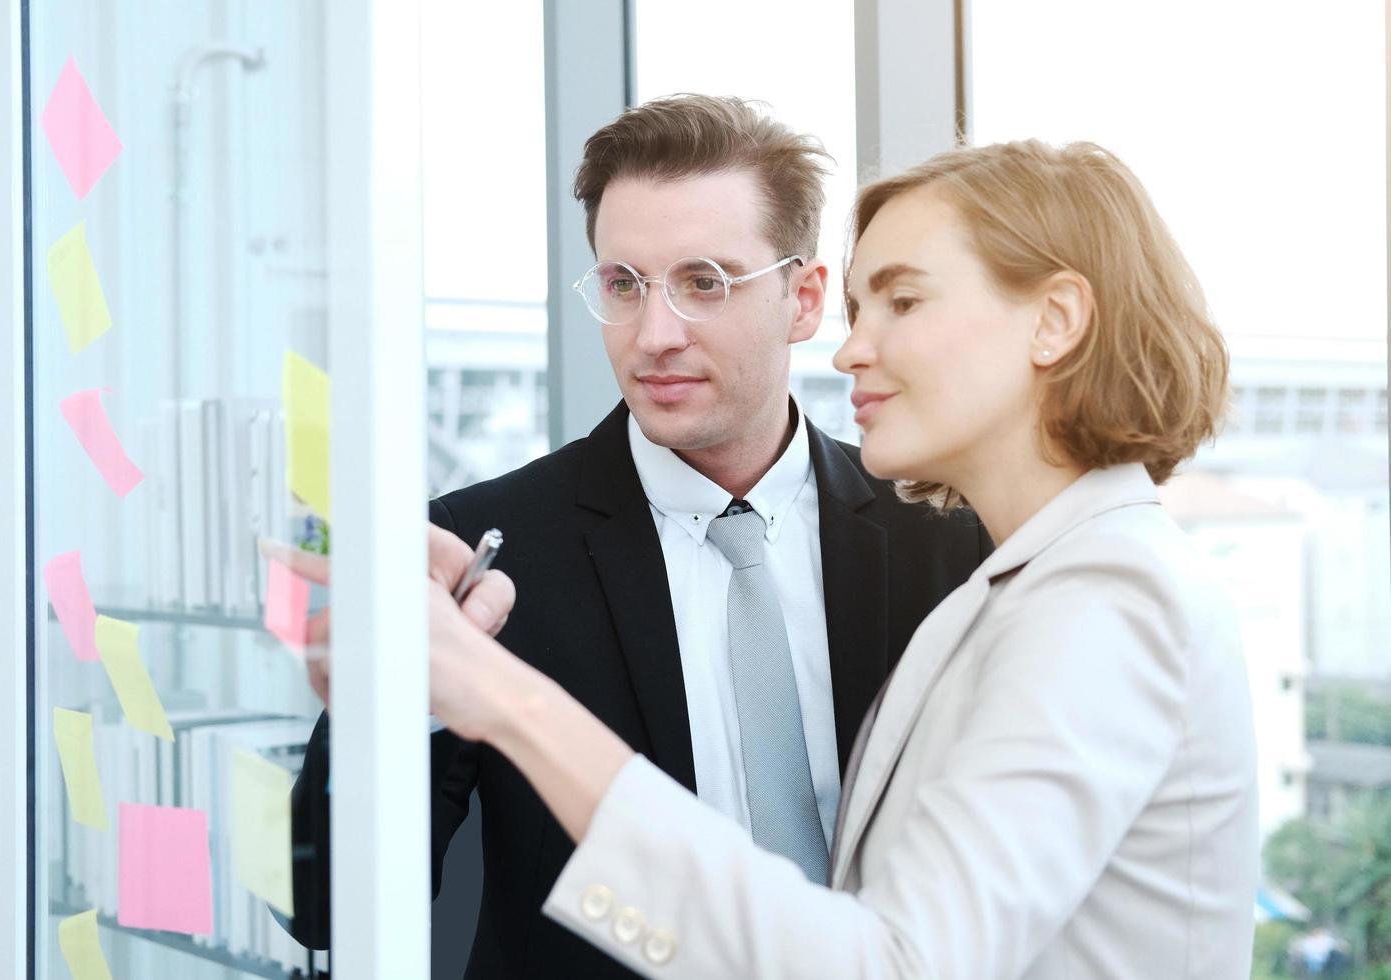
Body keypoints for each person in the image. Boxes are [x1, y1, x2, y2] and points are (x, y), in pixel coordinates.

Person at [423, 139, 1260, 978]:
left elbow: (893, 964)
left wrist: (507, 700)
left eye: (902, 301)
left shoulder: (1105, 595)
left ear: (1054, 320)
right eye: (863, 308)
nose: (852, 349)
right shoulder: (1032, 581)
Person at [282, 95, 989, 977]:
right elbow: (325, 907)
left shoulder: (946, 540)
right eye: (623, 285)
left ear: (803, 299)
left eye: (705, 282)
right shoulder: (479, 549)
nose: (654, 336)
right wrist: (402, 699)